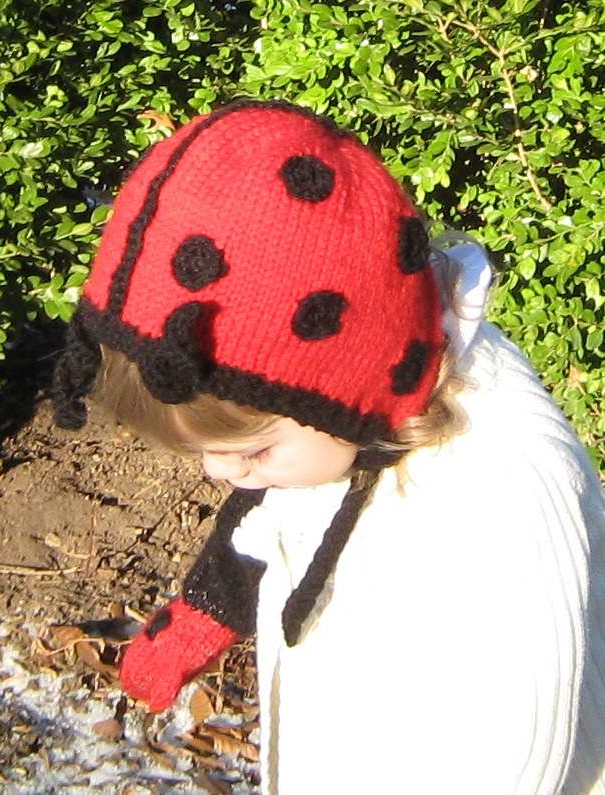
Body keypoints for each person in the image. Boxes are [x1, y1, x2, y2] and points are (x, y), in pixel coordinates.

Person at [53, 99, 605, 794]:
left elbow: (514, 754)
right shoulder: (345, 423)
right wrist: (203, 612)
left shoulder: (503, 486)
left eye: (252, 451)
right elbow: (270, 522)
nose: (221, 474)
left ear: (353, 380)